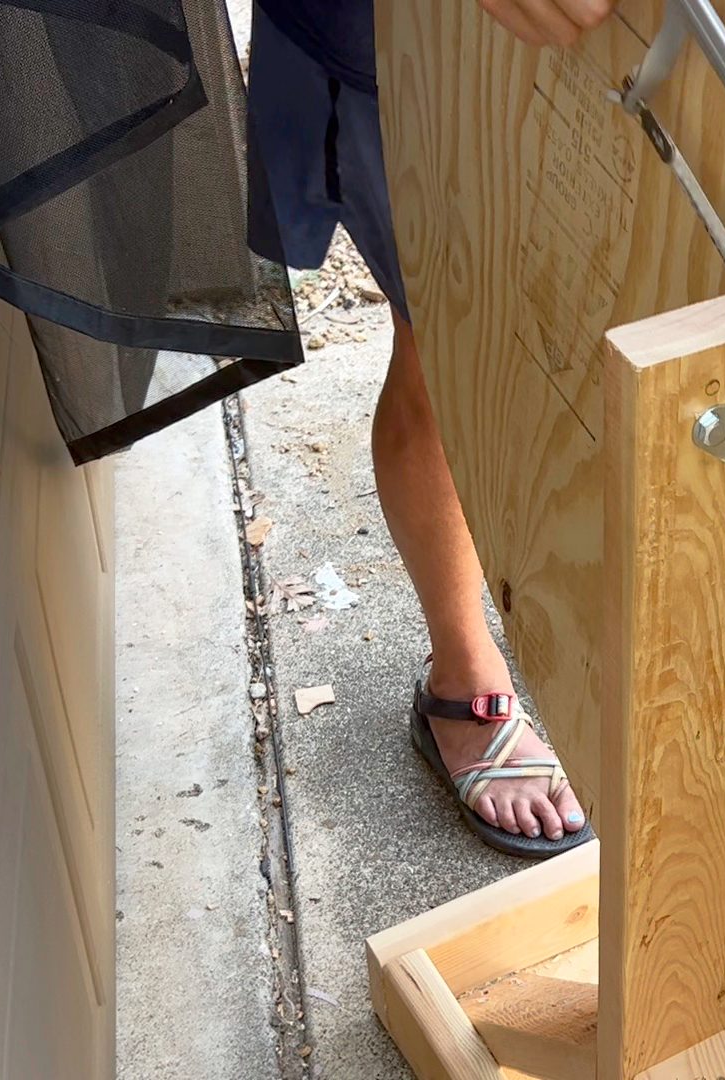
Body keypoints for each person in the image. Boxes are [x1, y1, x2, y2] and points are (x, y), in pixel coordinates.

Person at [246, 0, 613, 857]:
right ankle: (462, 670)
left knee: (609, 330)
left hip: (649, 56)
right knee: (448, 344)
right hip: (411, 40)